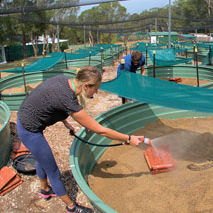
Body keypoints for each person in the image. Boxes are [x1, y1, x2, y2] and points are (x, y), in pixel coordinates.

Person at [17, 66, 144, 213]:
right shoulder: (67, 99)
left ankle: (45, 190)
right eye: (95, 89)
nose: (96, 93)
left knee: (41, 158)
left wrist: (65, 122)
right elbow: (100, 130)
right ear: (85, 86)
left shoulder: (64, 81)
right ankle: (71, 207)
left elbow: (50, 101)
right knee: (53, 171)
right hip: (29, 130)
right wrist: (129, 138)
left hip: (26, 118)